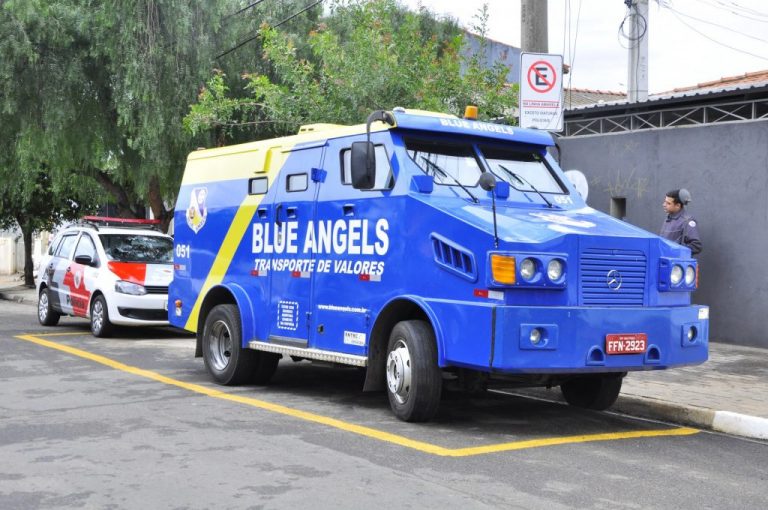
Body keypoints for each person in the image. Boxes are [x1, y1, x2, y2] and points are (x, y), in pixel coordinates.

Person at [660, 188, 702, 255]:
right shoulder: (668, 218)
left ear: (678, 205)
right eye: (665, 201)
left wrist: (676, 251)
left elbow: (696, 246)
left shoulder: (687, 221)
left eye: (668, 203)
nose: (664, 205)